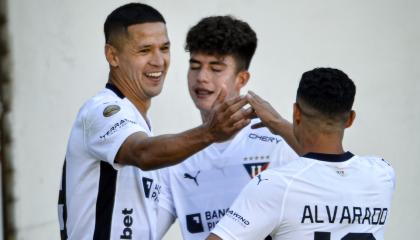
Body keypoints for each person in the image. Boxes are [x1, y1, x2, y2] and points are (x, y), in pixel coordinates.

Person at [57, 3, 251, 240]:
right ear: (113, 55)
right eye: (145, 50)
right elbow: (142, 154)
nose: (159, 61)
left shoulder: (140, 122)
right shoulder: (102, 110)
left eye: (165, 48)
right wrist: (209, 133)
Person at [207, 68, 396, 240]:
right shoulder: (382, 174)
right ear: (350, 119)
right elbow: (323, 164)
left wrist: (278, 123)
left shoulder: (275, 185)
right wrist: (279, 124)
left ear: (296, 112)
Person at [157, 16, 300, 240]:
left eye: (216, 69)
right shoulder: (177, 157)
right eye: (195, 66)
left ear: (241, 79)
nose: (202, 78)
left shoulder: (279, 144)